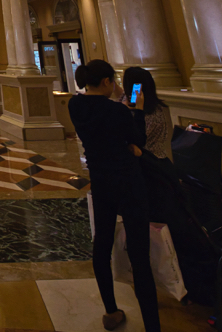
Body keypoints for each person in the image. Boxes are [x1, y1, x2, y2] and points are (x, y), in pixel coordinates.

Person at [69, 60, 161, 332]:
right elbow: (138, 139)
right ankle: (152, 325)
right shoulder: (117, 111)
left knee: (102, 244)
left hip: (100, 182)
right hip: (128, 182)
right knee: (139, 254)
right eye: (113, 81)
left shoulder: (75, 105)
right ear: (107, 82)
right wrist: (138, 110)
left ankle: (111, 311)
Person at [122, 66, 173, 161]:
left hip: (151, 161)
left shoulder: (153, 113)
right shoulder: (128, 102)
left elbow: (136, 141)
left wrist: (137, 109)